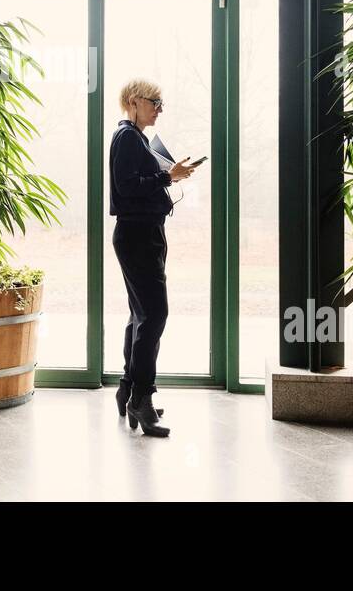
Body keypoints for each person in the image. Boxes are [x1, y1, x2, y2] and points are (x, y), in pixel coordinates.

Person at [109, 78, 196, 437]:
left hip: (142, 234)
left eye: (162, 103)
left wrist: (168, 176)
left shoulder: (134, 138)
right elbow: (126, 186)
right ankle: (141, 398)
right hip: (138, 235)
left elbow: (137, 181)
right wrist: (166, 175)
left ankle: (129, 388)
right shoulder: (127, 137)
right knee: (155, 313)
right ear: (133, 101)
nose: (159, 108)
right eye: (154, 101)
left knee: (140, 314)